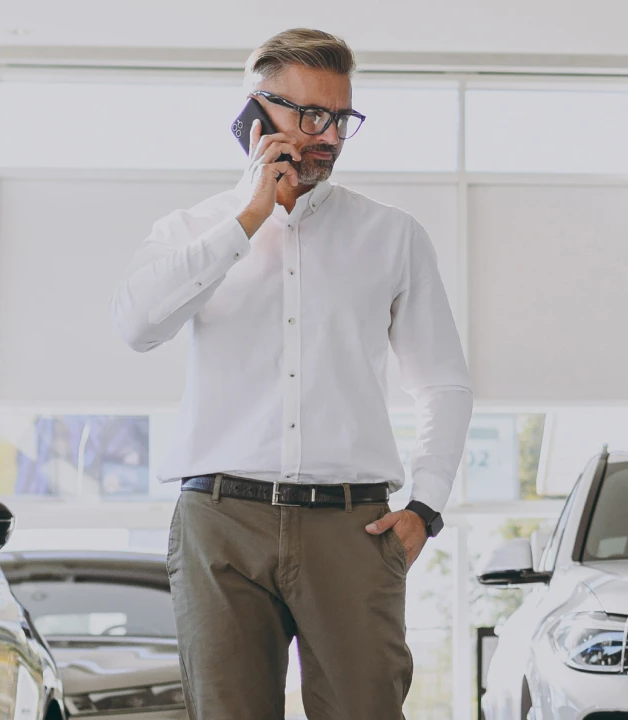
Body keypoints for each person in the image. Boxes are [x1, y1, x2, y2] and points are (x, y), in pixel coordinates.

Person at [110, 28, 473, 720]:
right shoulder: (193, 229)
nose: (328, 137)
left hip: (353, 526)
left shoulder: (393, 236)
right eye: (310, 116)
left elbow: (445, 384)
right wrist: (247, 219)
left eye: (341, 119)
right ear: (255, 115)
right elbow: (136, 325)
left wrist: (425, 506)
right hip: (220, 523)